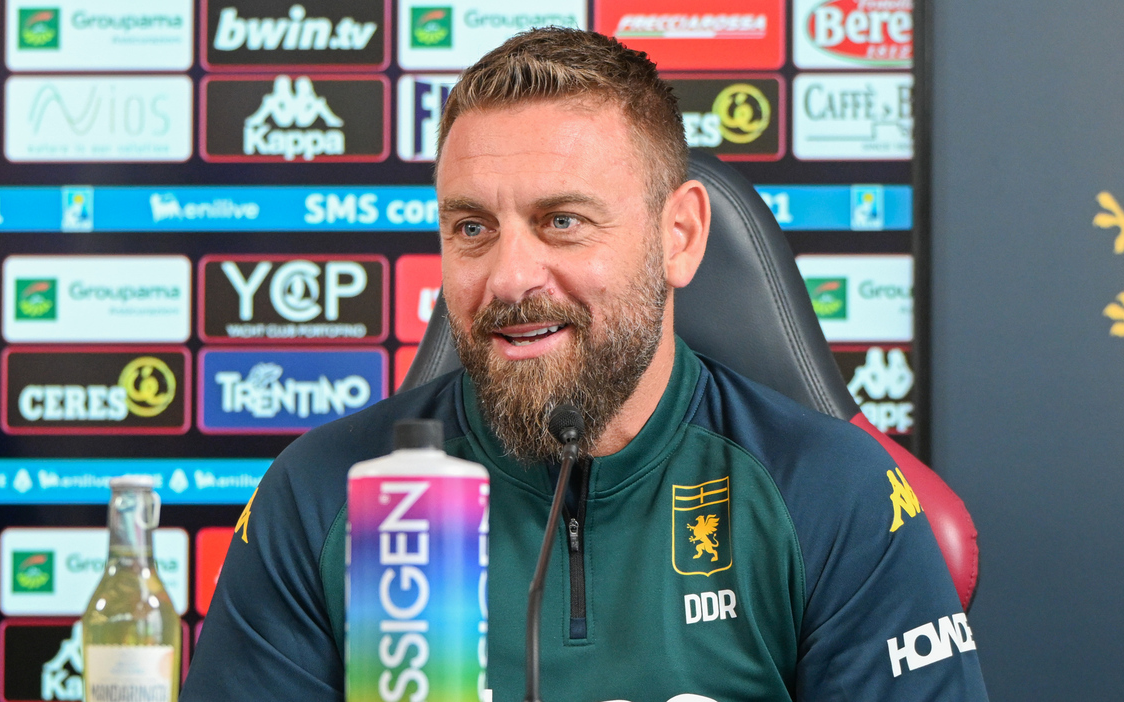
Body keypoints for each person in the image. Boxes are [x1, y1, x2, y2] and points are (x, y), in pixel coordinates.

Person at [183, 28, 988, 701]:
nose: (508, 278)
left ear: (679, 237)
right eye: (472, 228)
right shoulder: (323, 495)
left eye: (562, 221)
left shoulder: (834, 491)